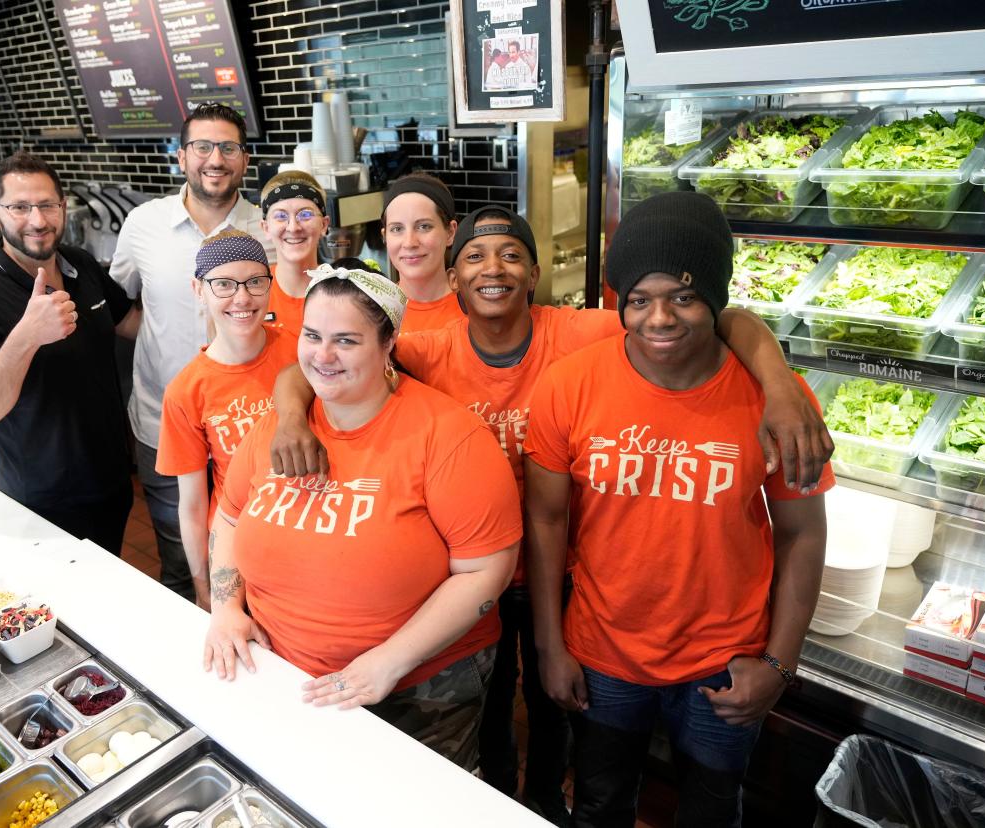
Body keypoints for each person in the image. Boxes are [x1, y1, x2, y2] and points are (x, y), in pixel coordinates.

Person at [269, 205, 833, 826]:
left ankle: (540, 800)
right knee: (533, 746)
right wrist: (293, 417)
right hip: (513, 598)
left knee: (674, 782)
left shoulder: (585, 340)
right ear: (453, 279)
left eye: (511, 255)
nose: (660, 316)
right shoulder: (442, 354)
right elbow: (319, 358)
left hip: (646, 617)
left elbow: (721, 317)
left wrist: (779, 382)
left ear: (536, 273)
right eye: (475, 257)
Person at [524, 192, 833, 828]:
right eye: (639, 299)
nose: (659, 318)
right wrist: (550, 646)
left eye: (684, 297)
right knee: (602, 805)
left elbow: (801, 534)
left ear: (715, 301)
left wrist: (779, 664)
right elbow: (548, 521)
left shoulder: (776, 399)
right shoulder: (569, 384)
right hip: (603, 654)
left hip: (724, 664)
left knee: (713, 813)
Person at [203, 265, 521, 770]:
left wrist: (390, 661)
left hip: (420, 686)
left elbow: (487, 571)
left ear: (388, 341)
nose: (322, 356)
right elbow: (231, 518)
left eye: (346, 341)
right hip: (284, 671)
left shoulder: (449, 436)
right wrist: (225, 609)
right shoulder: (279, 426)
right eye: (312, 335)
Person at [111, 102, 272, 601]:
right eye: (202, 146)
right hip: (163, 421)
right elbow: (118, 303)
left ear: (245, 160)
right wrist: (161, 340)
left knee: (254, 557)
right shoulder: (143, 223)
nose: (215, 159)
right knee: (180, 561)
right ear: (181, 157)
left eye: (228, 147)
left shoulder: (269, 225)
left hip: (249, 426)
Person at [0, 151, 140, 553]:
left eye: (47, 205)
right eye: (19, 207)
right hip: (42, 501)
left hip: (110, 480)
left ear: (63, 207)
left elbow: (131, 322)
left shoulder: (80, 265)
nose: (37, 220)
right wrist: (27, 335)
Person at [156, 230, 297, 610]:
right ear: (198, 289)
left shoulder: (300, 349)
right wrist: (203, 584)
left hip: (308, 533)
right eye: (223, 284)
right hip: (241, 547)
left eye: (254, 282)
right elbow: (192, 504)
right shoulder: (186, 391)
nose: (242, 298)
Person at [382, 172, 465, 332]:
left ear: (450, 232)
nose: (409, 242)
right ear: (385, 236)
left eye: (424, 226)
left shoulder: (477, 311)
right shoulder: (373, 313)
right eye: (397, 229)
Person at [259, 171, 329, 335]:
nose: (293, 227)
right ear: (266, 228)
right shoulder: (252, 294)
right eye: (281, 216)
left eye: (305, 214)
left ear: (324, 225)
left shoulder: (347, 293)